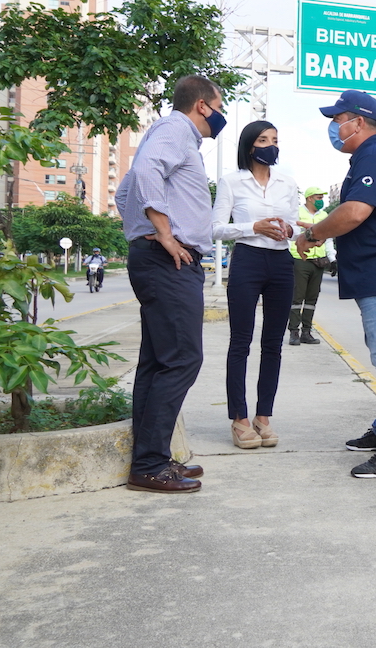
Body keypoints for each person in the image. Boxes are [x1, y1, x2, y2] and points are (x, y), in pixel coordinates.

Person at [294, 90, 376, 479]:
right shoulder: (367, 158)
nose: (334, 128)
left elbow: (354, 212)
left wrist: (315, 233)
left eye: (338, 120)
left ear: (359, 121)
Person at [114, 74, 224, 493]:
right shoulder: (175, 130)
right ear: (202, 105)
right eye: (219, 105)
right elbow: (143, 174)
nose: (221, 115)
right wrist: (162, 233)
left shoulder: (170, 136)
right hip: (169, 260)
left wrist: (144, 229)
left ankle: (150, 458)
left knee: (158, 361)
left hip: (162, 257)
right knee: (181, 359)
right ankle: (150, 465)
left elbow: (125, 195)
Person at [212, 120, 299, 449]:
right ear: (250, 146)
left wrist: (287, 231)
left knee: (273, 345)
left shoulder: (287, 183)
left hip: (281, 264)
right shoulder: (232, 182)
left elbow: (291, 223)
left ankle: (264, 416)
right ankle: (240, 418)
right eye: (263, 140)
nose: (270, 145)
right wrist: (255, 227)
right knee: (241, 342)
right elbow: (216, 228)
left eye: (275, 140)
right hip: (247, 260)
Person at [289, 187, 329, 346]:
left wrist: (331, 258)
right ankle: (294, 332)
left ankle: (306, 331)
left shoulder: (324, 215)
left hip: (318, 261)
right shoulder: (297, 213)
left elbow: (329, 238)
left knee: (312, 298)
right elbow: (291, 235)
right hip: (300, 259)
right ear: (309, 198)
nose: (321, 201)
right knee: (297, 297)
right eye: (318, 197)